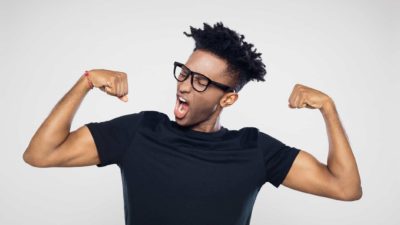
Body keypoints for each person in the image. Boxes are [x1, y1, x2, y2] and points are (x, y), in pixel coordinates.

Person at [23, 22, 362, 225]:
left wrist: (328, 109)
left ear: (227, 99)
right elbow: (40, 154)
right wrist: (86, 82)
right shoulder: (139, 132)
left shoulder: (255, 150)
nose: (184, 85)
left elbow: (345, 188)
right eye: (184, 73)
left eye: (200, 81)